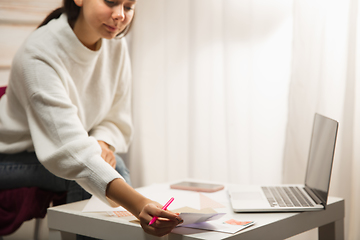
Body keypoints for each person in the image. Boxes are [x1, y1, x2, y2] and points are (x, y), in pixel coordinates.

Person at [0, 0, 182, 237]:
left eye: (128, 7)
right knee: (88, 174)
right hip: (9, 158)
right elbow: (69, 150)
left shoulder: (114, 45)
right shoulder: (38, 54)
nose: (119, 15)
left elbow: (117, 116)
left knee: (108, 163)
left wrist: (102, 142)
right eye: (111, 2)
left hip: (54, 149)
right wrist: (138, 204)